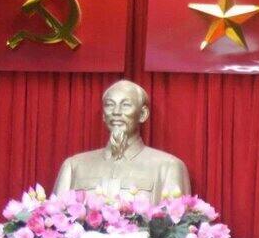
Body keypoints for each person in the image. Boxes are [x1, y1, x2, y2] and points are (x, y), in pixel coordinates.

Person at [52, 79, 190, 202]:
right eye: (110, 105)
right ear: (104, 116)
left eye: (125, 105)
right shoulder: (74, 166)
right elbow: (55, 221)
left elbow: (175, 226)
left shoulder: (168, 166)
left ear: (142, 114)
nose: (116, 112)